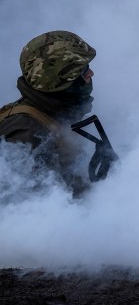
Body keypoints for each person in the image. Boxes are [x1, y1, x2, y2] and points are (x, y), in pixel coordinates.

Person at [0, 30, 103, 196]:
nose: (91, 74)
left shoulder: (53, 115)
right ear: (58, 83)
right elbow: (31, 213)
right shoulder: (26, 134)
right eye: (83, 70)